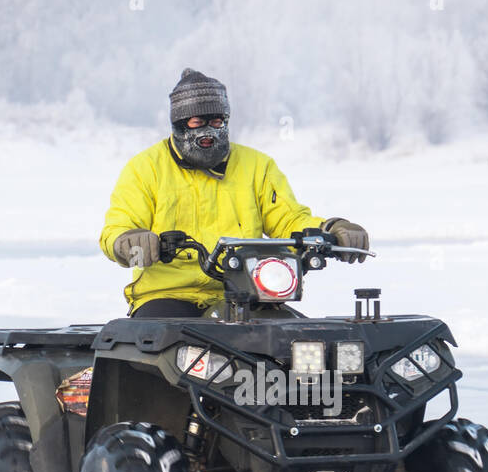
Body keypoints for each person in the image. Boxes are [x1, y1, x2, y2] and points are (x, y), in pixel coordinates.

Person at [99, 68, 369, 318]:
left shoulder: (257, 166)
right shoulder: (145, 169)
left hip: (247, 290)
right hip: (167, 295)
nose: (209, 132)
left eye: (217, 121)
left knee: (299, 345)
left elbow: (289, 220)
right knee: (157, 348)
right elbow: (117, 229)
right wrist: (130, 241)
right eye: (197, 122)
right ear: (180, 125)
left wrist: (330, 229)